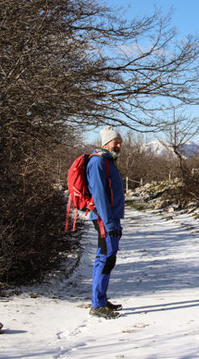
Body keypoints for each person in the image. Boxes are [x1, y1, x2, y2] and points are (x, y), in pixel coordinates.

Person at [87, 127, 125, 319]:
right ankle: (97, 304)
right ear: (106, 142)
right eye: (116, 141)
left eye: (120, 142)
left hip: (110, 218)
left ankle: (100, 299)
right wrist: (109, 223)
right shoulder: (98, 162)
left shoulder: (107, 160)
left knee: (106, 257)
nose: (119, 145)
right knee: (106, 258)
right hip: (104, 219)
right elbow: (100, 195)